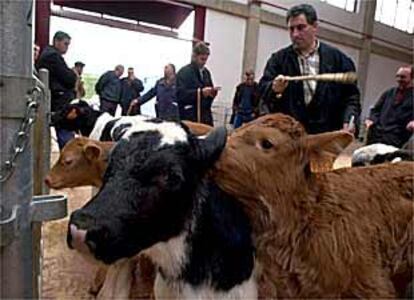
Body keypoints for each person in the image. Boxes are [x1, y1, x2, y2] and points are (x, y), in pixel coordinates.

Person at [258, 4, 360, 135]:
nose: (295, 34)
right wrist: (273, 88)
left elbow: (351, 97)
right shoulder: (278, 60)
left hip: (325, 137)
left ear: (315, 27)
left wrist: (349, 119)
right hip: (289, 138)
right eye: (291, 29)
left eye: (301, 28)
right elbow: (262, 90)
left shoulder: (339, 60)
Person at [36, 31, 77, 150]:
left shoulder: (49, 54)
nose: (67, 47)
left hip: (54, 99)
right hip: (59, 102)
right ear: (56, 41)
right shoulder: (53, 56)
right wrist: (73, 74)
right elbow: (69, 79)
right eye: (65, 44)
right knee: (66, 133)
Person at [365, 65, 413, 148]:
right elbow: (376, 110)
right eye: (397, 76)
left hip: (396, 138)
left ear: (412, 78)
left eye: (403, 77)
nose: (398, 80)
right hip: (377, 135)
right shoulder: (388, 92)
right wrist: (371, 120)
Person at [176, 42, 220, 126]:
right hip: (189, 117)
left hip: (205, 116)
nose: (204, 62)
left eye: (206, 59)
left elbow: (208, 92)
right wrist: (200, 93)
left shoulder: (206, 73)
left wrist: (212, 94)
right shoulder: (184, 72)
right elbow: (180, 95)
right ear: (194, 56)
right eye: (202, 59)